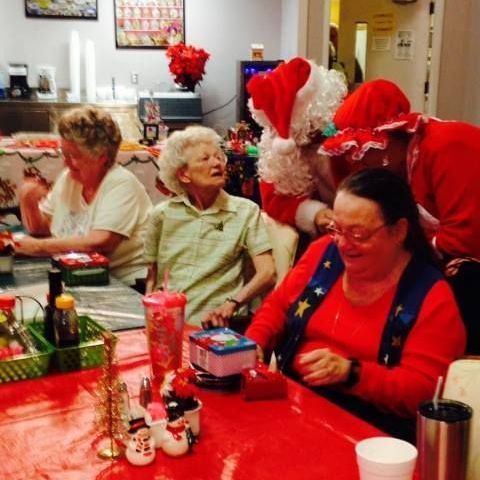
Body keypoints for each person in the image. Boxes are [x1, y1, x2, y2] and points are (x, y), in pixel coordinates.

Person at [245, 169, 465, 440]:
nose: (342, 244)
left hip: (371, 433)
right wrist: (253, 343)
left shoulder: (429, 294)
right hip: (295, 403)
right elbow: (278, 306)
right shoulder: (324, 251)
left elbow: (424, 390)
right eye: (337, 228)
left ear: (399, 231)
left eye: (358, 234)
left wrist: (351, 373)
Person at [144, 126, 276, 327]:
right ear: (183, 175)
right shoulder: (161, 214)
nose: (217, 163)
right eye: (205, 159)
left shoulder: (245, 211)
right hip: (167, 322)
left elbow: (267, 273)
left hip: (214, 326)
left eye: (218, 157)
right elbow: (152, 278)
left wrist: (233, 303)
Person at [17, 106, 152, 286]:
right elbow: (43, 229)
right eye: (64, 154)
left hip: (123, 284)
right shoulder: (69, 178)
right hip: (77, 277)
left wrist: (35, 247)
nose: (66, 162)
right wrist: (28, 200)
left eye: (73, 155)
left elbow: (99, 243)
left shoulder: (121, 183)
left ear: (101, 157)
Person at [247, 56, 347, 237]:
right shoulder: (275, 151)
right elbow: (274, 200)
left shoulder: (350, 134)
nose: (305, 142)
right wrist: (314, 213)